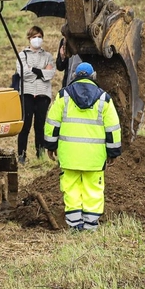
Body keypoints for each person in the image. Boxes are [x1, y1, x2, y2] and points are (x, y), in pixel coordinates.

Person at [43, 62, 121, 231]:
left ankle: (74, 224)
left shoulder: (63, 96)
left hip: (69, 155)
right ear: (93, 76)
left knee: (70, 187)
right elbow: (113, 128)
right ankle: (90, 225)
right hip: (94, 157)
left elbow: (52, 123)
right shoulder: (104, 99)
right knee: (93, 189)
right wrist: (113, 152)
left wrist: (50, 145)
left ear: (74, 77)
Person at [15, 25, 57, 164]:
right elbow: (23, 73)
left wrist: (33, 70)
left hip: (42, 95)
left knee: (40, 126)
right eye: (34, 37)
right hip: (26, 93)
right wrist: (40, 72)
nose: (37, 40)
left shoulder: (48, 56)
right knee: (25, 126)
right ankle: (22, 155)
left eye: (39, 37)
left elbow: (50, 74)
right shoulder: (22, 55)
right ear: (29, 38)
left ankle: (40, 155)